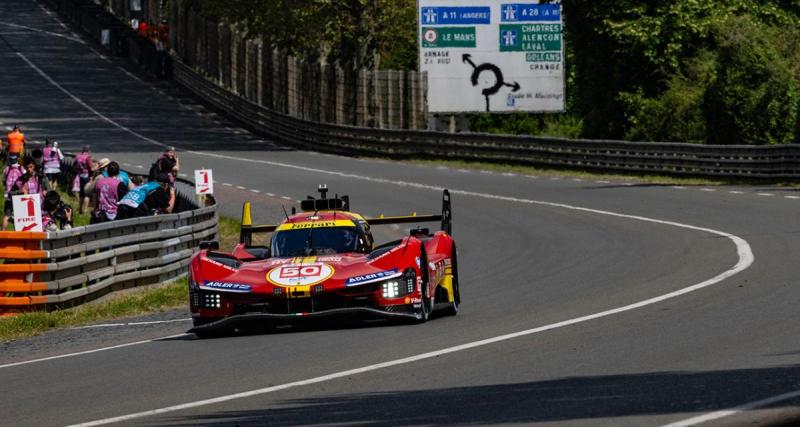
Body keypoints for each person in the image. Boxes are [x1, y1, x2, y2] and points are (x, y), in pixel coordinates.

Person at [2, 154, 22, 229]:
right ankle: (18, 235)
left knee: (6, 216)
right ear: (17, 159)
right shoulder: (21, 168)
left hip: (8, 196)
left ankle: (2, 234)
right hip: (19, 195)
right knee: (19, 217)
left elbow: (4, 181)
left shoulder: (7, 169)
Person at [73, 146, 92, 213]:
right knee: (87, 194)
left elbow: (74, 165)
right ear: (88, 151)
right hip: (86, 176)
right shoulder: (87, 157)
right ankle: (84, 210)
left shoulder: (78, 156)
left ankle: (80, 209)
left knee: (81, 193)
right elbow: (91, 167)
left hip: (79, 176)